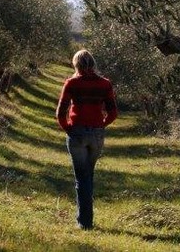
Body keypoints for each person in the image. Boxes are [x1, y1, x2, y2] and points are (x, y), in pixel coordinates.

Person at [55, 49, 118, 230]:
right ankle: (85, 219)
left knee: (82, 178)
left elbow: (60, 112)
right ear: (93, 63)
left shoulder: (72, 83)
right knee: (88, 175)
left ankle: (85, 222)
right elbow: (113, 112)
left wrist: (69, 129)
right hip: (96, 134)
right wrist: (101, 125)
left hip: (77, 134)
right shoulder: (105, 84)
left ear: (76, 64)